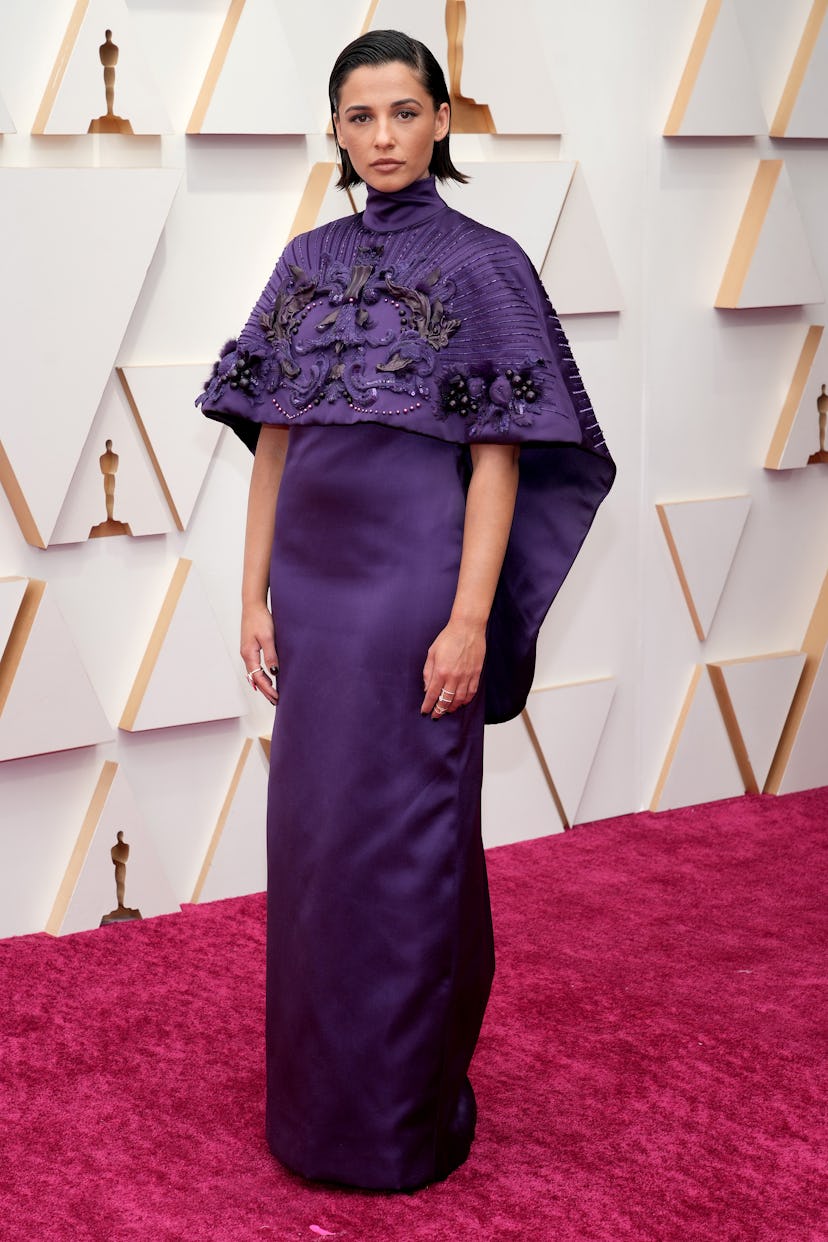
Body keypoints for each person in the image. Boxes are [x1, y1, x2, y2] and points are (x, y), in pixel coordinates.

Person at [197, 29, 615, 1191]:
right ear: (335, 129)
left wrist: (471, 618)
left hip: (413, 590)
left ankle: (396, 1119)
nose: (382, 136)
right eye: (360, 115)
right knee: (317, 848)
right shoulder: (306, 261)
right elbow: (272, 443)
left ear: (442, 121)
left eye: (404, 112)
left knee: (404, 846)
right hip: (315, 596)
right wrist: (254, 597)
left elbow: (501, 461)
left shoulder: (485, 265)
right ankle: (317, 1109)